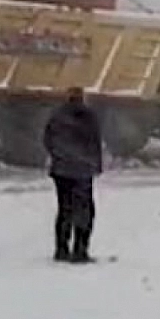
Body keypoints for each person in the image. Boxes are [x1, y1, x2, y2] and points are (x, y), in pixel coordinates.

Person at [42, 86, 104, 263]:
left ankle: (61, 250)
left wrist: (57, 157)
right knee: (84, 210)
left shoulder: (57, 115)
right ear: (82, 98)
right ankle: (80, 250)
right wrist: (95, 165)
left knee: (64, 210)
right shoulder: (88, 116)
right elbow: (94, 142)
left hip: (61, 170)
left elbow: (48, 139)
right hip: (82, 171)